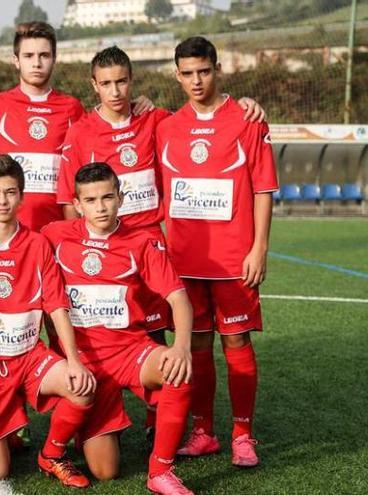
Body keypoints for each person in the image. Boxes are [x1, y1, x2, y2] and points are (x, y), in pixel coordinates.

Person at [57, 45, 268, 439]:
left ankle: (163, 423)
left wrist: (246, 104)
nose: (116, 90)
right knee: (103, 332)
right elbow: (70, 204)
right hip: (102, 255)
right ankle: (99, 415)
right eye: (106, 83)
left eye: (122, 81)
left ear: (133, 81)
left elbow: (205, 120)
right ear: (94, 86)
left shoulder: (156, 121)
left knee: (155, 338)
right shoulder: (81, 132)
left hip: (151, 249)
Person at [157, 37, 277, 468]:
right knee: (198, 345)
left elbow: (263, 188)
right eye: (187, 73)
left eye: (203, 71)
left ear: (217, 69)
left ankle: (243, 433)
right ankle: (204, 431)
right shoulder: (166, 126)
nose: (195, 80)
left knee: (237, 340)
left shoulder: (247, 119)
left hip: (233, 259)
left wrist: (259, 247)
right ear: (177, 75)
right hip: (185, 261)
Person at [42, 162, 195, 494]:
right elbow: (10, 241)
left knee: (177, 371)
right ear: (77, 204)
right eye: (91, 200)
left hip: (129, 352)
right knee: (106, 471)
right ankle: (96, 420)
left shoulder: (140, 242)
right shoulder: (53, 234)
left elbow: (179, 298)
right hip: (82, 361)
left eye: (108, 197)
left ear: (120, 198)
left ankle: (160, 472)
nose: (101, 207)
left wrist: (181, 346)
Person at [0, 155, 96, 487]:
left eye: (10, 192)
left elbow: (56, 306)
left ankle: (52, 453)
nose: (2, 201)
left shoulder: (38, 244)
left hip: (29, 357)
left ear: (22, 197)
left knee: (81, 387)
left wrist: (73, 359)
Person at [0, 22, 85, 231]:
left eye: (44, 56)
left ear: (54, 59)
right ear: (16, 61)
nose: (36, 63)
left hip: (57, 229)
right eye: (29, 56)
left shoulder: (72, 108)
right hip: (7, 229)